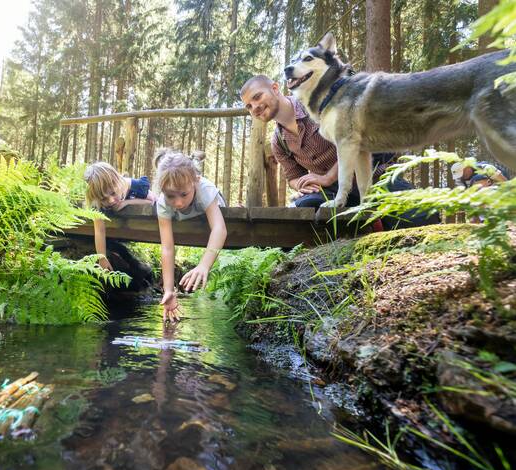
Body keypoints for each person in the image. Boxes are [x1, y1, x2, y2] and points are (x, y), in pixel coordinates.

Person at [240, 74, 358, 208]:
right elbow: (293, 177)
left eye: (257, 97)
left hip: (374, 176)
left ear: (275, 88)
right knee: (300, 206)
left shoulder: (317, 103)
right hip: (336, 194)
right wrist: (303, 185)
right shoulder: (278, 142)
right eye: (249, 106)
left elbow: (355, 141)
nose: (254, 108)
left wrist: (328, 177)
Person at [155, 149, 227, 322]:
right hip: (186, 219)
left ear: (195, 181)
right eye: (171, 196)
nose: (178, 202)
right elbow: (167, 247)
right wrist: (168, 290)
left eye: (184, 194)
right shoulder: (163, 203)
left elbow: (219, 228)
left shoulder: (204, 189)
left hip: (214, 210)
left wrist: (204, 265)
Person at [84, 162, 156, 270]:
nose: (111, 200)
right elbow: (99, 230)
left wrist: (126, 203)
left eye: (113, 193)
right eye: (104, 199)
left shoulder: (135, 186)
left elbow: (153, 200)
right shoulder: (97, 202)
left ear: (118, 181)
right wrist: (102, 258)